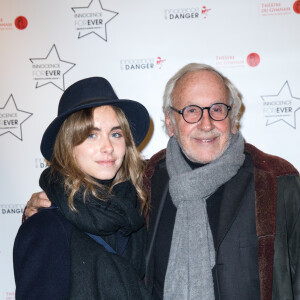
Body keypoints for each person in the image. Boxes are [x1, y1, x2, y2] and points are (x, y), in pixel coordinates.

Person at [23, 63, 300, 300]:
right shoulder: (147, 183)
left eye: (217, 109)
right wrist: (42, 212)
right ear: (170, 122)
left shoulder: (277, 180)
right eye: (191, 111)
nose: (206, 124)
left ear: (233, 117)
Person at [14, 77, 152, 299]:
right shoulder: (45, 226)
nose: (108, 147)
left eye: (116, 134)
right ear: (68, 145)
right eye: (91, 135)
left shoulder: (134, 215)